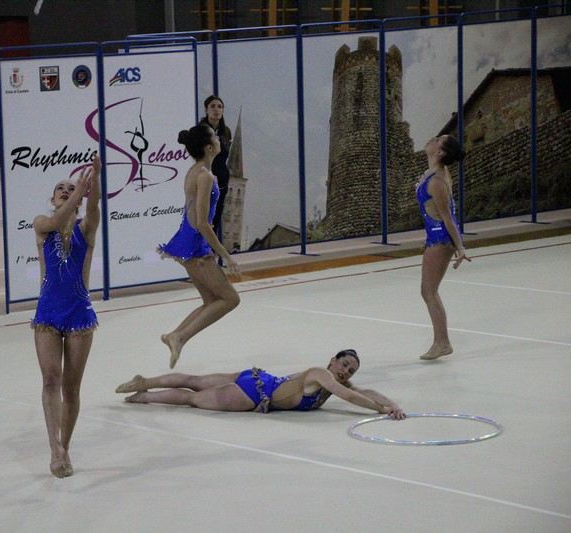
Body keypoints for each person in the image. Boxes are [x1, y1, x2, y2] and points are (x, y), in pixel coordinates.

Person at [32, 154, 101, 478]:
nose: (64, 190)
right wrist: (79, 191)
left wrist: (95, 181)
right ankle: (53, 448)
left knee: (71, 389)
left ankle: (66, 447)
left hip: (78, 313)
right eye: (60, 188)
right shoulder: (41, 225)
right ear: (53, 197)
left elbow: (94, 211)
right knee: (50, 379)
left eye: (70, 187)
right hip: (47, 312)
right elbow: (57, 220)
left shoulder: (85, 229)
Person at [115, 349, 405, 419]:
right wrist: (379, 411)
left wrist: (391, 404)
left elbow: (362, 391)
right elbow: (351, 397)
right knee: (192, 396)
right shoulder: (321, 374)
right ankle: (145, 394)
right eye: (344, 365)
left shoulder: (329, 380)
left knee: (195, 382)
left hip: (256, 378)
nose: (346, 372)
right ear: (332, 361)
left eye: (351, 370)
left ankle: (147, 383)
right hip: (252, 392)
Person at [157, 124, 240, 369]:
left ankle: (175, 335)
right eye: (215, 136)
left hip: (187, 242)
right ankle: (179, 337)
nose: (219, 138)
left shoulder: (195, 171)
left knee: (211, 301)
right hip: (194, 245)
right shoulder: (204, 176)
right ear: (209, 147)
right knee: (230, 299)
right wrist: (225, 255)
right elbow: (202, 222)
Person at [416, 134, 470, 361]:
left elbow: (448, 217)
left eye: (437, 140)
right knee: (428, 291)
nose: (431, 138)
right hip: (436, 236)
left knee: (429, 291)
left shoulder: (437, 181)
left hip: (441, 239)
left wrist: (460, 247)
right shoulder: (431, 174)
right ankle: (442, 341)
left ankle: (442, 342)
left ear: (440, 152)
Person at [199, 95, 232, 238]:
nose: (216, 109)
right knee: (204, 216)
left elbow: (225, 154)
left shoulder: (226, 131)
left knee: (216, 215)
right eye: (212, 106)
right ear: (206, 110)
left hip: (222, 178)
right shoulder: (200, 130)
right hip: (206, 178)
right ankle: (199, 252)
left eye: (219, 106)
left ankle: (210, 254)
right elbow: (199, 156)